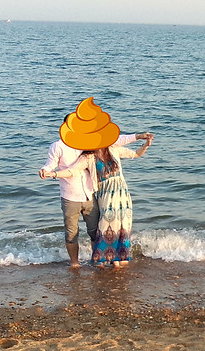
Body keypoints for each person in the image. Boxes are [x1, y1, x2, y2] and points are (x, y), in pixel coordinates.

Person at [39, 97, 152, 268]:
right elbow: (69, 170)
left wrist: (142, 140)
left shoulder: (104, 147)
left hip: (107, 194)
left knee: (111, 228)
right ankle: (86, 262)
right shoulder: (76, 152)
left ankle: (111, 260)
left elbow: (128, 149)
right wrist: (50, 173)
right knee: (89, 229)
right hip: (87, 195)